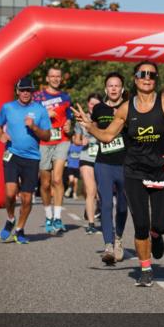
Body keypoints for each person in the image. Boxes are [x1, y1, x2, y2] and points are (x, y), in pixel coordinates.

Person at [74, 61, 164, 284]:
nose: (147, 77)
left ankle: (157, 235)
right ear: (135, 78)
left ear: (155, 79)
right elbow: (108, 136)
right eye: (142, 74)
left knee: (158, 225)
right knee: (140, 224)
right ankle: (145, 269)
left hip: (162, 170)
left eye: (151, 74)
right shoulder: (126, 108)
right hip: (134, 171)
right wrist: (90, 126)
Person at [0, 76, 52, 243]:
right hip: (12, 155)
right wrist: (1, 135)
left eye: (28, 90)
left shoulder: (40, 110)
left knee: (27, 198)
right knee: (10, 193)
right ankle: (10, 218)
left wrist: (34, 127)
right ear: (17, 91)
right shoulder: (7, 108)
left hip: (32, 159)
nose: (25, 93)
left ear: (32, 92)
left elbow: (47, 136)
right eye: (22, 90)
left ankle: (19, 229)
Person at [92, 72, 130, 262]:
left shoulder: (130, 107)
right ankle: (108, 246)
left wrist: (123, 119)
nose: (114, 88)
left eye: (117, 85)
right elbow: (93, 128)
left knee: (123, 206)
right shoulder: (98, 108)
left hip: (125, 164)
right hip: (103, 162)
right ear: (106, 89)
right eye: (110, 85)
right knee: (106, 203)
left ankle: (118, 239)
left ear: (122, 88)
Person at [35, 67, 75, 234]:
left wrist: (69, 124)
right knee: (45, 183)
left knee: (57, 179)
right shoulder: (37, 96)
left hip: (62, 141)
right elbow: (30, 116)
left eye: (58, 76)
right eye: (52, 76)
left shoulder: (66, 97)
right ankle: (48, 216)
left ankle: (58, 218)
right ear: (47, 78)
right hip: (44, 141)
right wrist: (44, 114)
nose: (55, 79)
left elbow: (70, 117)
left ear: (61, 78)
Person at [75, 93, 102, 234]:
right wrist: (81, 141)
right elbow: (76, 139)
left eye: (96, 104)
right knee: (91, 190)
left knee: (100, 192)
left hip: (102, 157)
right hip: (86, 157)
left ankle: (91, 208)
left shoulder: (104, 117)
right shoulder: (81, 118)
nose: (93, 107)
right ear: (87, 104)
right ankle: (91, 224)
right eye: (91, 104)